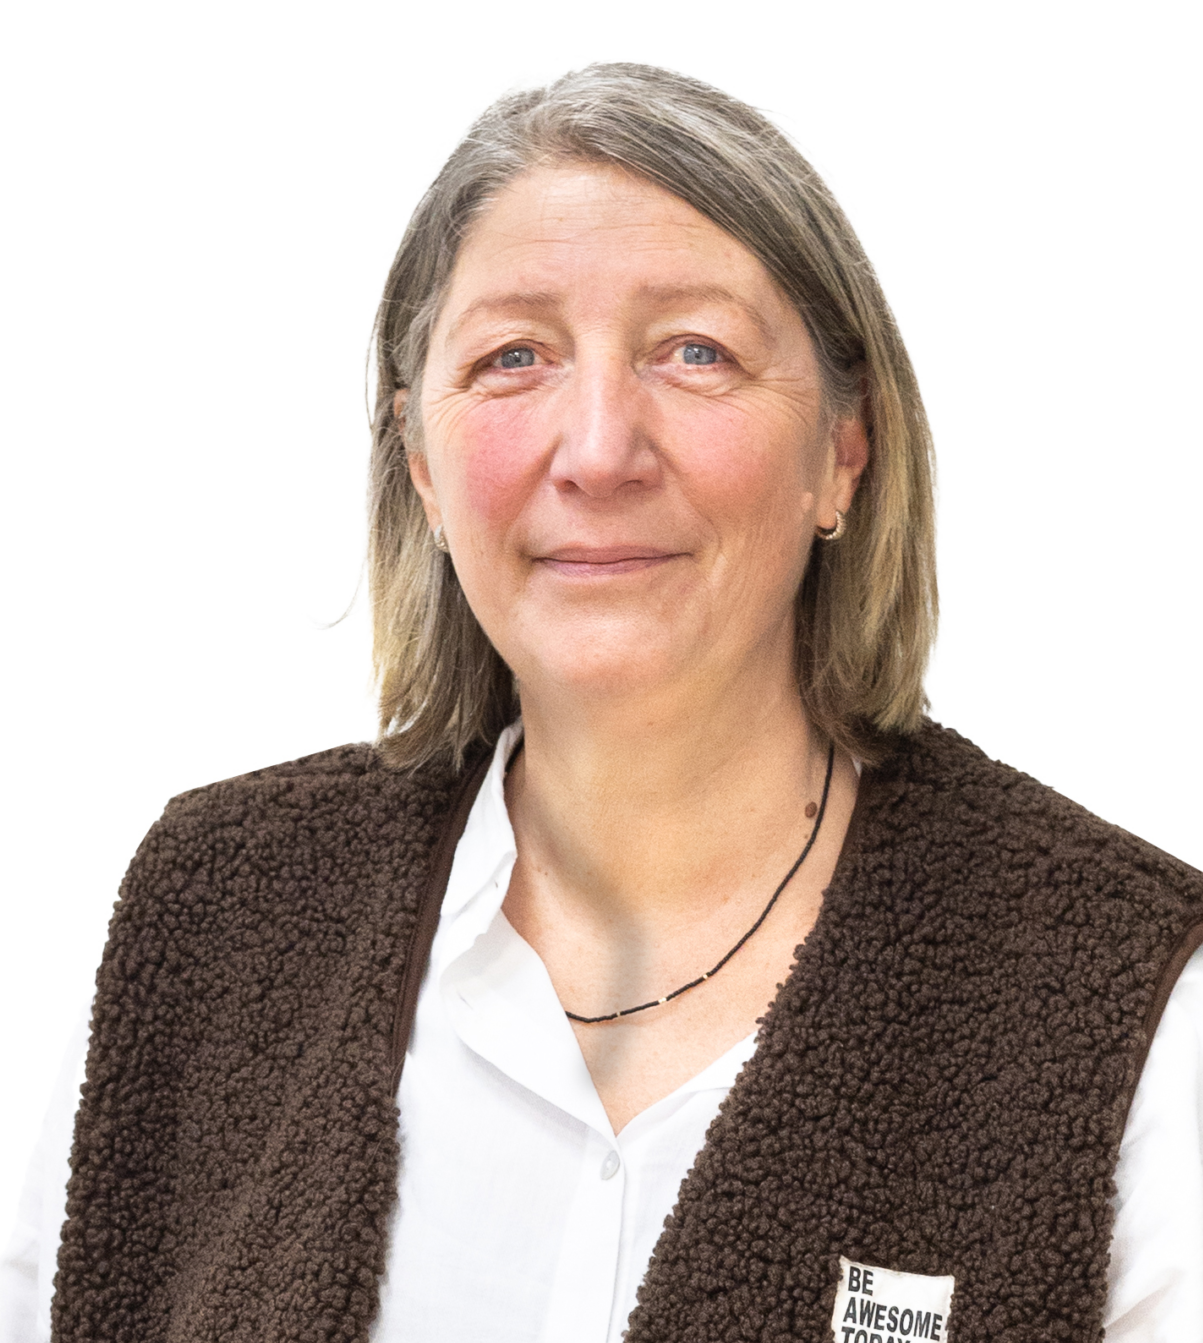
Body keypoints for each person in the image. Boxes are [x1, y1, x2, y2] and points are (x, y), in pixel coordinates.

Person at [4, 60, 1200, 1343]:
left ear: (845, 449)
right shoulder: (221, 911)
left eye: (696, 351)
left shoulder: (1124, 992)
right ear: (419, 461)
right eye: (513, 356)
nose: (597, 450)